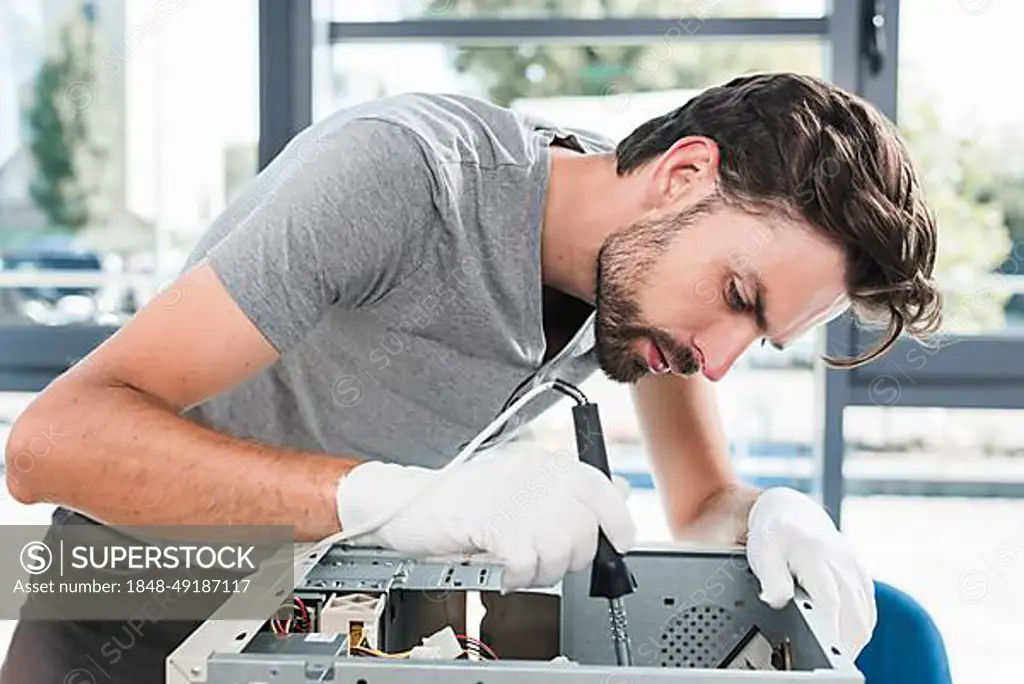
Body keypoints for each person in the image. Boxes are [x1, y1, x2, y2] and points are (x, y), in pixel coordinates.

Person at [2, 72, 940, 682]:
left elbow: (700, 501)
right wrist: (397, 501)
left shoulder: (647, 285)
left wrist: (771, 515)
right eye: (738, 296)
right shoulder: (407, 177)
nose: (721, 358)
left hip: (314, 611)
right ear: (684, 172)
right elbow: (49, 446)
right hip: (127, 592)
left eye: (762, 338)